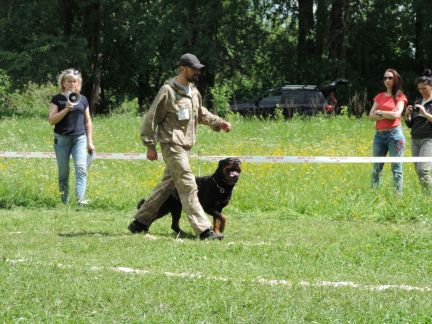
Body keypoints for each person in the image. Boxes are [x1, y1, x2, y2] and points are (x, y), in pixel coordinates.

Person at [128, 53, 231, 240]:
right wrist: (150, 145)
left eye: (199, 69)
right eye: (194, 69)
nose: (198, 72)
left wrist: (218, 122)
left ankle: (140, 222)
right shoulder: (168, 91)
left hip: (185, 147)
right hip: (171, 144)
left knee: (166, 187)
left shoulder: (193, 91)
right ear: (182, 68)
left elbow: (201, 114)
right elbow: (151, 118)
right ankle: (205, 230)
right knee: (188, 184)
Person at [48, 68, 95, 205]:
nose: (72, 84)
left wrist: (89, 142)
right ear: (63, 83)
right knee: (64, 172)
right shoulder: (57, 99)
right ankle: (64, 202)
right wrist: (66, 109)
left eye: (75, 81)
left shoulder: (83, 99)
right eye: (69, 81)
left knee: (81, 168)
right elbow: (51, 120)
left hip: (79, 139)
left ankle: (80, 199)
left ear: (78, 83)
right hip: (61, 139)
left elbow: (88, 122)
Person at [369, 68, 407, 193]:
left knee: (396, 168)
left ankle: (397, 198)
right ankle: (374, 194)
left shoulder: (400, 96)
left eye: (390, 78)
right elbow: (370, 116)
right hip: (379, 136)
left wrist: (380, 112)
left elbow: (396, 115)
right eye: (385, 78)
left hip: (394, 135)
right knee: (376, 168)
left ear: (395, 79)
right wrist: (387, 114)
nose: (387, 80)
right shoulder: (379, 96)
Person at [403, 69, 432, 191]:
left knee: (423, 170)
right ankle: (427, 199)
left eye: (424, 88)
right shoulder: (418, 101)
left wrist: (425, 113)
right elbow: (410, 124)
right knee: (418, 171)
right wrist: (407, 115)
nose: (422, 91)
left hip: (428, 139)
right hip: (415, 139)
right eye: (420, 89)